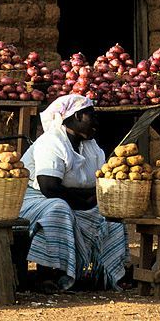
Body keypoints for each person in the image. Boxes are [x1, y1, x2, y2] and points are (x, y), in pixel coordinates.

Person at [19, 95, 128, 293]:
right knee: (58, 209)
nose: (96, 122)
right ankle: (47, 274)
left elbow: (99, 181)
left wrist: (92, 199)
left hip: (74, 199)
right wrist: (86, 200)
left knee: (112, 215)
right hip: (34, 199)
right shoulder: (52, 142)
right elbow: (49, 187)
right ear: (77, 116)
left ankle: (106, 274)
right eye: (91, 116)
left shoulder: (91, 146)